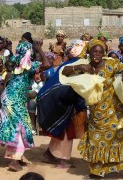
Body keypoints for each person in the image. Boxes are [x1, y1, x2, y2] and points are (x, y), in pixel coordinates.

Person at [74, 39, 123, 178]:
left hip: (114, 111)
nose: (97, 54)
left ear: (103, 53)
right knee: (96, 140)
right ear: (89, 52)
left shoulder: (111, 64)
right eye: (94, 51)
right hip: (96, 112)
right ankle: (97, 171)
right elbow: (64, 72)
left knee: (118, 139)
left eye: (100, 51)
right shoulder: (85, 67)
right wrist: (78, 67)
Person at [0, 36, 51, 171]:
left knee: (20, 126)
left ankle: (18, 157)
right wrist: (39, 48)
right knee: (18, 127)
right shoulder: (28, 65)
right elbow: (47, 64)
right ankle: (14, 161)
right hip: (13, 99)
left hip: (10, 98)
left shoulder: (18, 61)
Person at [37, 40, 88, 168]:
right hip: (64, 102)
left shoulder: (68, 64)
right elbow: (76, 86)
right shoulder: (79, 65)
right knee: (67, 131)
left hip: (56, 99)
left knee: (60, 129)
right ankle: (63, 160)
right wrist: (81, 105)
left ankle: (49, 154)